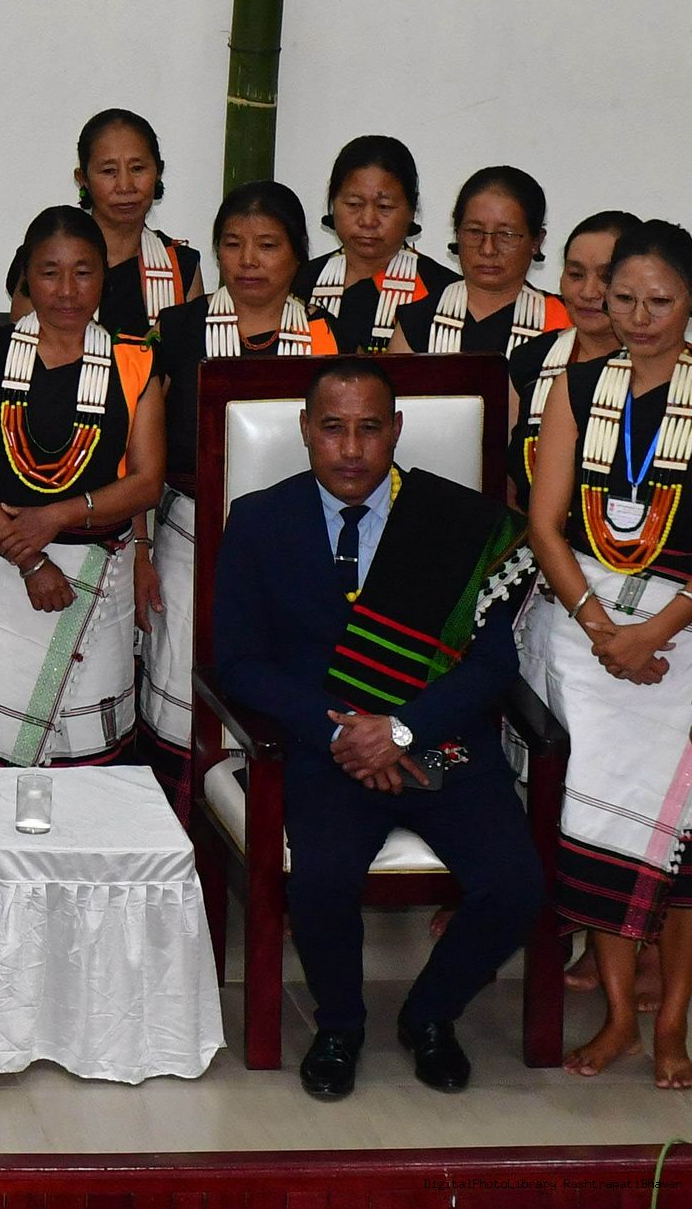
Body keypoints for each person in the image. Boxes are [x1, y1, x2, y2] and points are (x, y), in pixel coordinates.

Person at [211, 359, 542, 1100]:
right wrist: (340, 733)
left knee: (515, 885)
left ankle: (430, 1015)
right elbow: (238, 662)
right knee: (323, 878)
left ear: (396, 430)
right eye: (333, 428)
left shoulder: (455, 523)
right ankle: (339, 1026)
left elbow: (493, 664)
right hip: (323, 747)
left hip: (438, 737)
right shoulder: (260, 520)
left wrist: (400, 728)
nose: (352, 449)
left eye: (369, 428)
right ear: (305, 430)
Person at [525, 221, 692, 1082]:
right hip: (583, 617)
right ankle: (623, 1015)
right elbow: (543, 523)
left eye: (659, 301)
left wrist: (652, 634)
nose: (638, 316)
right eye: (623, 298)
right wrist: (601, 630)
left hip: (682, 626)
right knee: (595, 804)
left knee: (680, 832)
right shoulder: (578, 385)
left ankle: (674, 1029)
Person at [0, 206, 165, 795]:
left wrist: (57, 516)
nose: (66, 291)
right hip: (2, 570)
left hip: (97, 580)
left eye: (83, 272)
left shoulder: (135, 361)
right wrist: (31, 561)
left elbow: (146, 482)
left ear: (103, 278)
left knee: (88, 771)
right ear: (26, 278)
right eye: (49, 272)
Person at [142, 182, 339, 800]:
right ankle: (182, 829)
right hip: (190, 534)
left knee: (283, 673)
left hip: (298, 541)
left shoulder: (328, 336)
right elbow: (141, 453)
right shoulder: (176, 330)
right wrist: (139, 549)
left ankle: (270, 821)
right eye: (232, 244)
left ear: (298, 253)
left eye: (267, 245)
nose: (248, 261)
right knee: (184, 673)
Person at [511, 211, 639, 490]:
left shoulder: (666, 371)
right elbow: (507, 477)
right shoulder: (530, 360)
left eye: (606, 277)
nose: (588, 292)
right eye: (576, 275)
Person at [303, 136, 460, 354]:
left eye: (384, 206)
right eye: (354, 204)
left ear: (412, 209)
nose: (368, 220)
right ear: (333, 202)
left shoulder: (444, 293)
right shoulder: (299, 283)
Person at [395, 166, 567, 360]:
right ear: (457, 234)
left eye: (506, 235)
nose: (488, 249)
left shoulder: (563, 322)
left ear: (536, 241)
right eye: (474, 231)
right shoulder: (418, 321)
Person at [75, 108, 201, 336]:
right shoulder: (48, 260)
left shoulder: (180, 266)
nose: (125, 186)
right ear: (83, 179)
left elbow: (189, 353)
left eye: (137, 169)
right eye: (109, 171)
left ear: (158, 172)